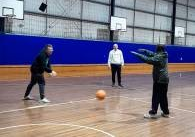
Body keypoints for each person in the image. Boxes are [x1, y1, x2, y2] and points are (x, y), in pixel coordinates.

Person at [131, 44, 169, 118]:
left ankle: (153, 113)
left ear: (159, 49)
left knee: (156, 96)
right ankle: (166, 112)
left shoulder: (160, 57)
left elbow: (149, 60)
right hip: (164, 79)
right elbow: (153, 54)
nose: (155, 50)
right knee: (163, 97)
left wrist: (138, 55)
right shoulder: (163, 54)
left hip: (159, 79)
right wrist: (145, 51)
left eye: (156, 48)